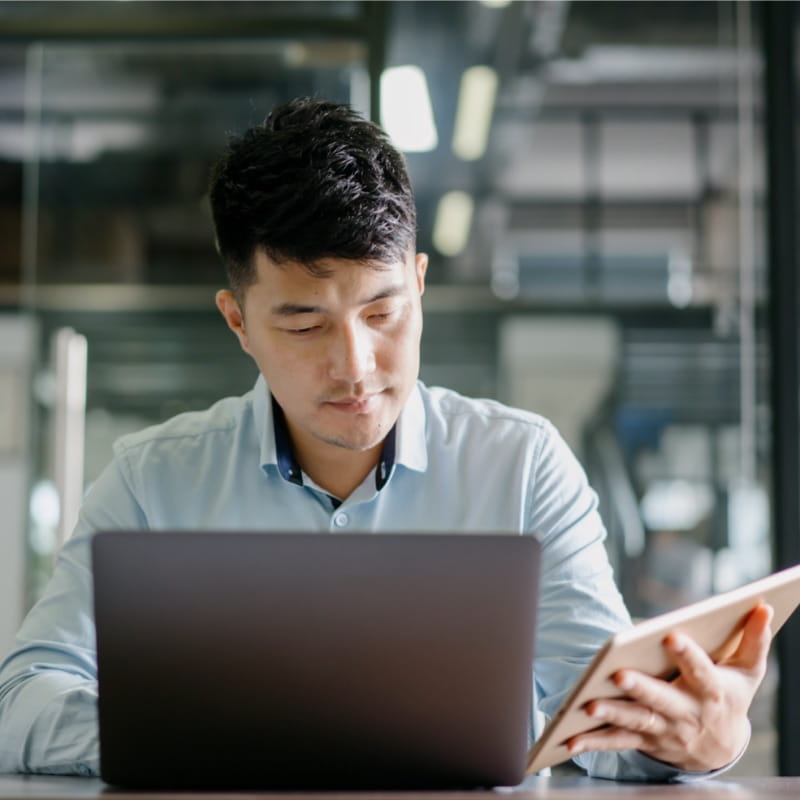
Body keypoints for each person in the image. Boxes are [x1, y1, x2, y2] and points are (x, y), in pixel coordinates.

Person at [0, 97, 772, 781]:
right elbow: (22, 701)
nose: (355, 366)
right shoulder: (152, 481)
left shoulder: (521, 465)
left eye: (383, 311)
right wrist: (196, 731)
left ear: (422, 283)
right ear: (238, 322)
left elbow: (602, 720)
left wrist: (704, 738)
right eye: (304, 321)